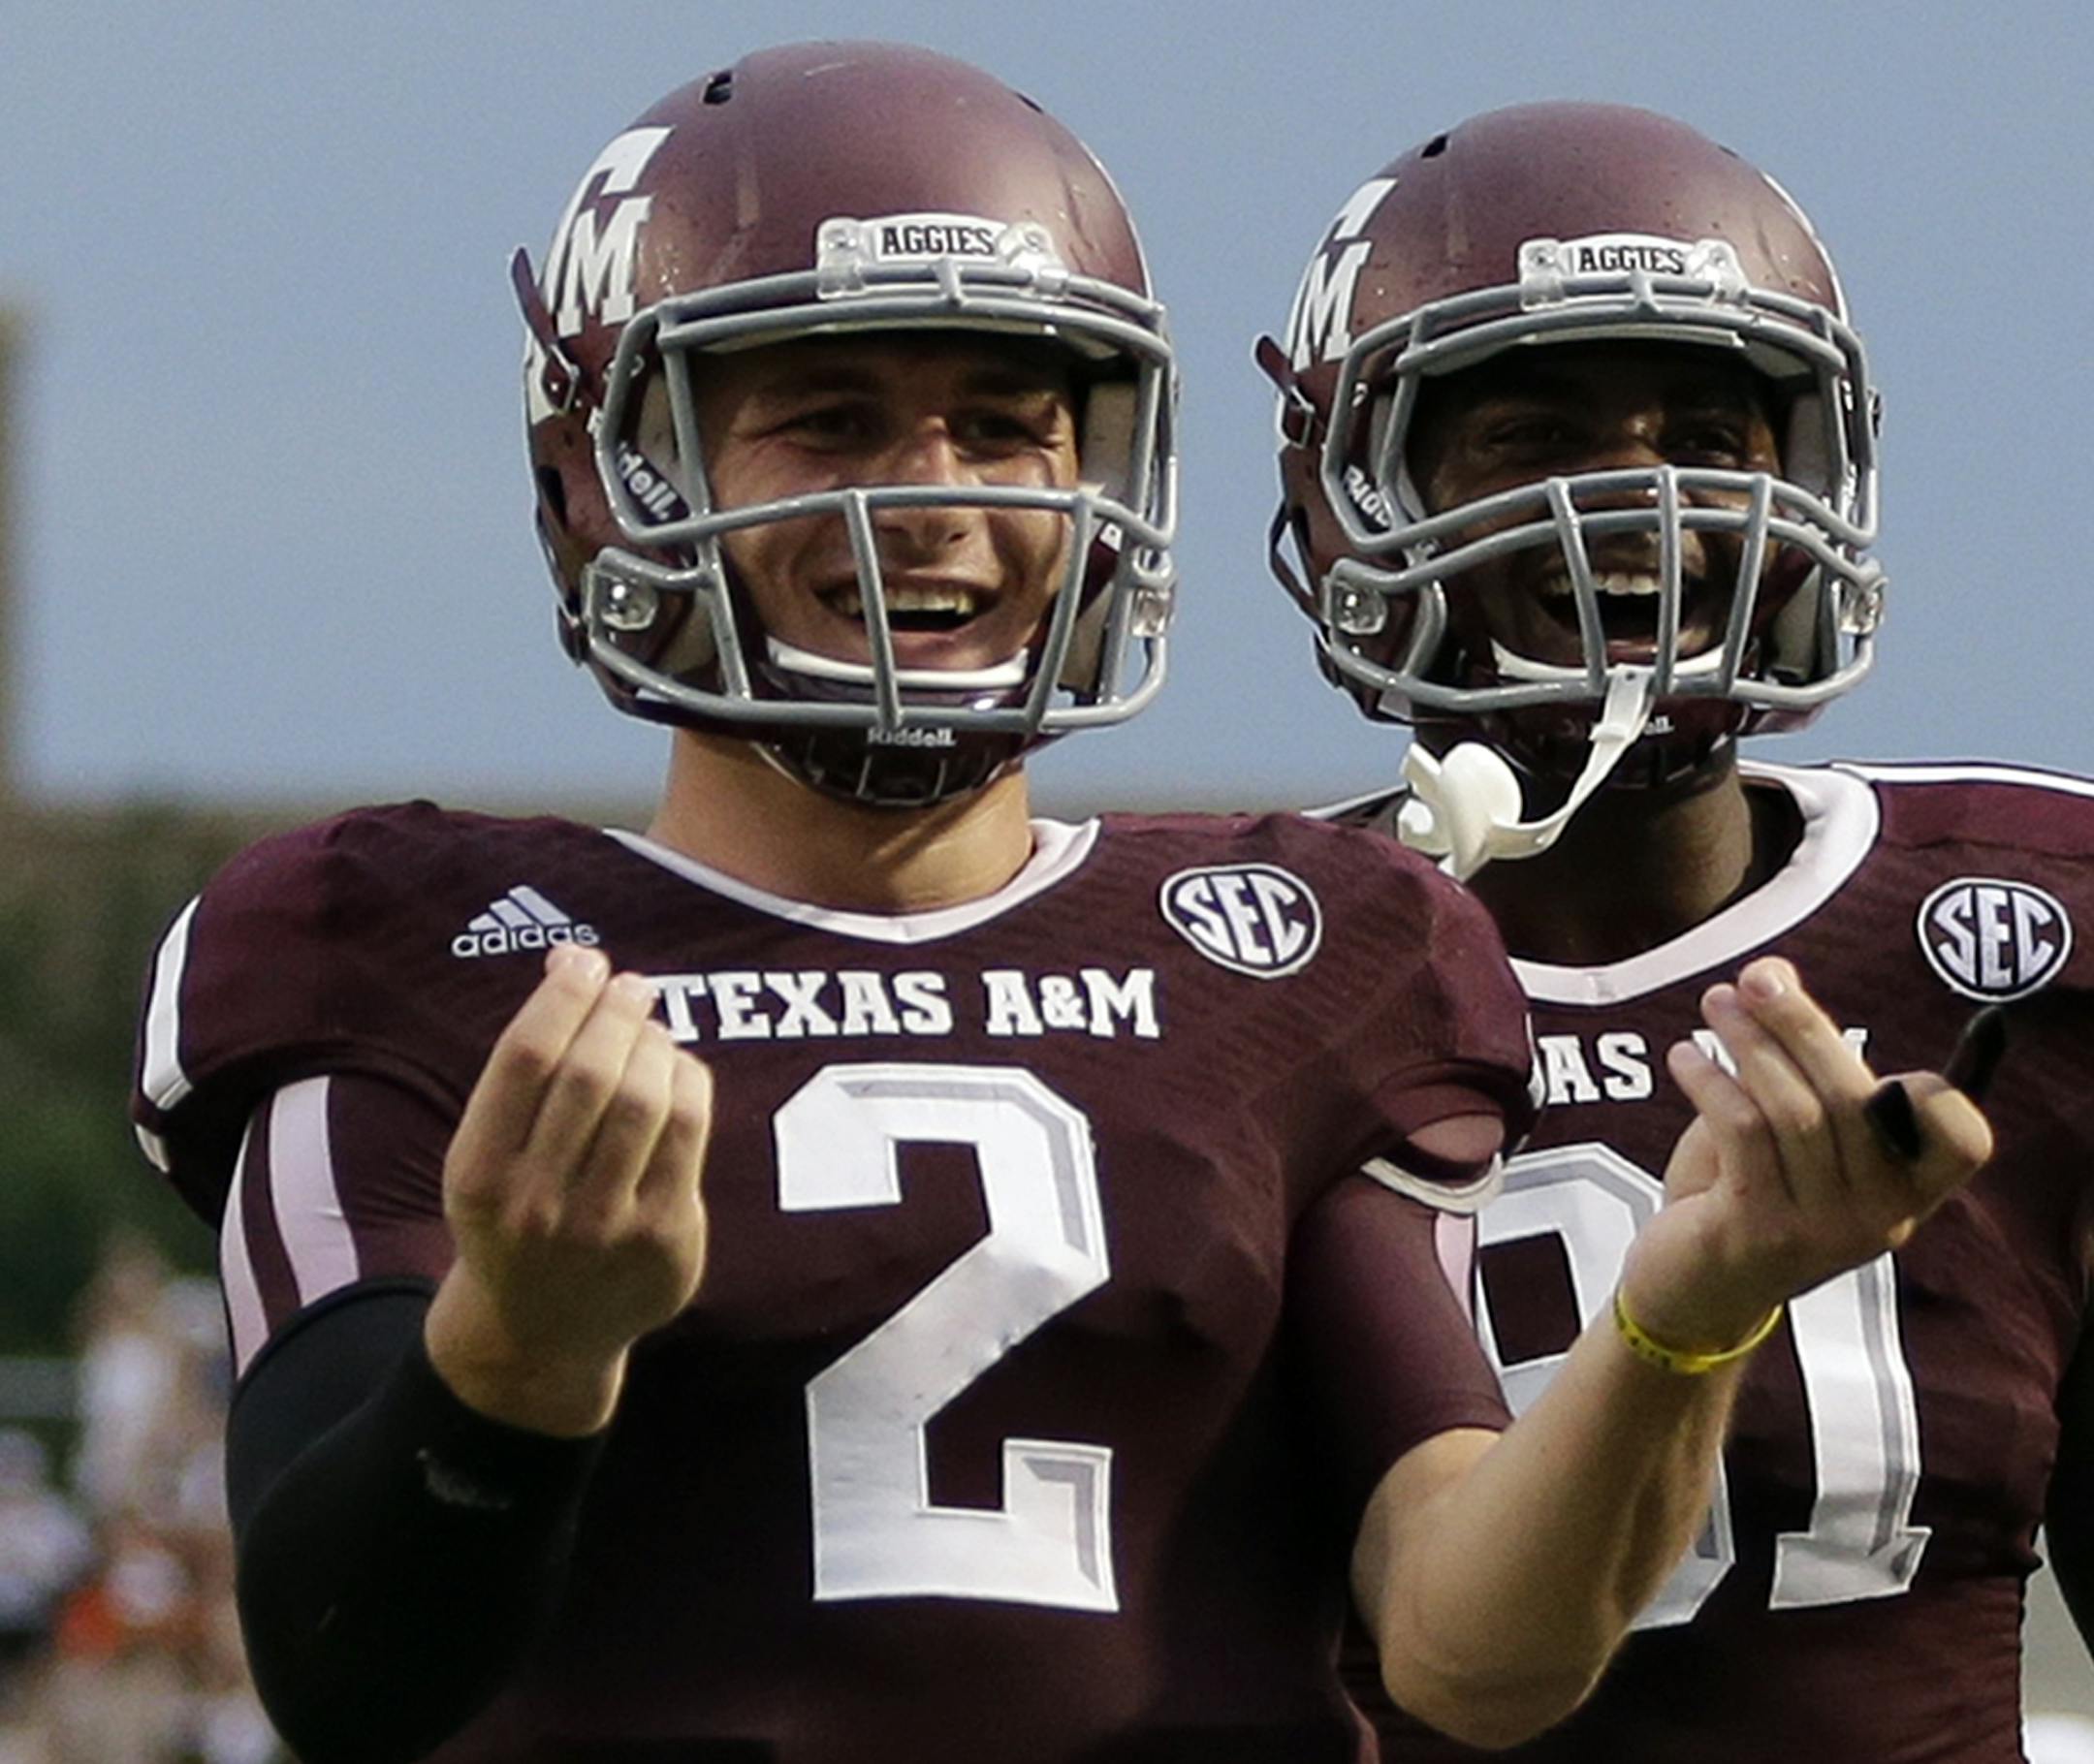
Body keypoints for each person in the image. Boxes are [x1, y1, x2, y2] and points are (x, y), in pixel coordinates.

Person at [130, 52, 1985, 1764]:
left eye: (1005, 425)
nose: (929, 501)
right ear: (599, 479)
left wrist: (1687, 1315)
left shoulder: (1301, 948)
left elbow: (1466, 1653)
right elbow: (347, 1668)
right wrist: (518, 1351)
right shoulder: (411, 943)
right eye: (830, 420)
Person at [1259, 100, 2093, 1761]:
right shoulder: (1236, 978)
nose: (1636, 497)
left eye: (1711, 430)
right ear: (1359, 488)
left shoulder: (2030, 937)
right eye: (1529, 434)